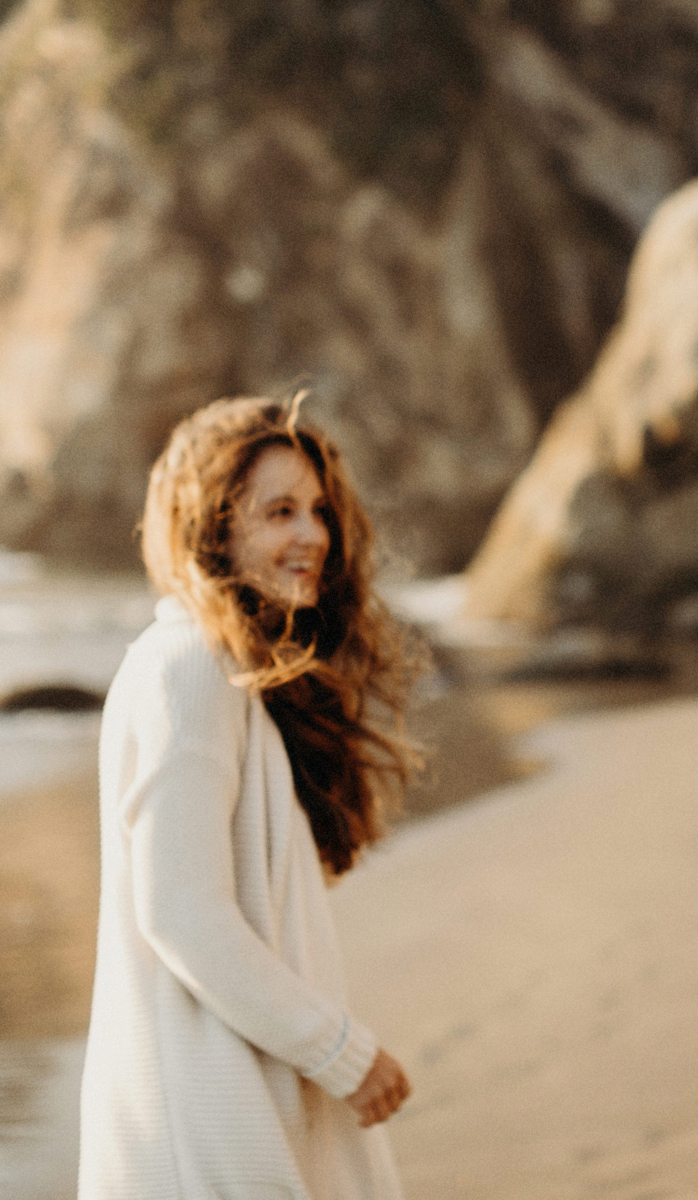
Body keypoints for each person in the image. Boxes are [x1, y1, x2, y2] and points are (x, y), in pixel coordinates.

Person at [80, 396, 421, 1199]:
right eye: (278, 512)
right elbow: (180, 910)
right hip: (203, 1128)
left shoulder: (218, 670)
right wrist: (343, 1051)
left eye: (316, 511)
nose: (312, 536)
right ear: (214, 526)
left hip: (236, 1104)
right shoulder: (190, 666)